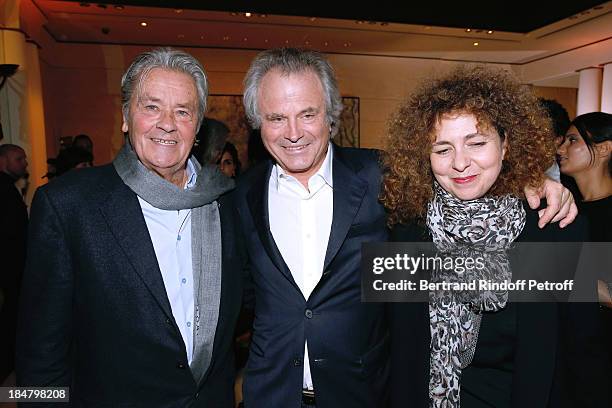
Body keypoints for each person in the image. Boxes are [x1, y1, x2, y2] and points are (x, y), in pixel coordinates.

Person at [234, 48, 576, 408]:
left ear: (330, 116)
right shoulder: (240, 195)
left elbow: (579, 345)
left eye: (307, 114)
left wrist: (534, 181)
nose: (293, 133)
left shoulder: (381, 180)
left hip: (363, 396)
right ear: (259, 123)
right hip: (270, 396)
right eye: (276, 118)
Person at [17, 48, 246, 406]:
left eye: (182, 111)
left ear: (197, 127)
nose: (167, 123)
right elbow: (37, 353)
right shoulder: (67, 206)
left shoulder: (228, 202)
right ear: (126, 117)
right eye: (151, 107)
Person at [382, 65, 604, 407]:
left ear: (506, 145)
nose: (460, 163)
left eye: (477, 143)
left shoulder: (556, 226)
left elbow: (585, 352)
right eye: (442, 149)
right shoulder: (405, 227)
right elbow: (392, 344)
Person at [0, 144, 28, 382]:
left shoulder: (9, 188)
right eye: (18, 159)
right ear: (3, 161)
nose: (25, 164)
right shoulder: (3, 190)